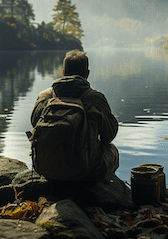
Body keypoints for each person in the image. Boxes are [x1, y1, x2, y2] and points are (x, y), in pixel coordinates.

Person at [30, 49, 119, 181]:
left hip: (44, 168)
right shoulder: (94, 98)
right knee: (112, 150)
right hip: (83, 171)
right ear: (87, 74)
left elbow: (34, 123)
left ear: (63, 72)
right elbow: (109, 136)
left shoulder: (45, 96)